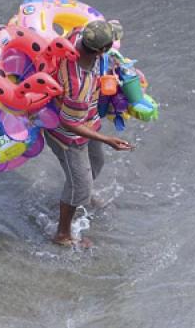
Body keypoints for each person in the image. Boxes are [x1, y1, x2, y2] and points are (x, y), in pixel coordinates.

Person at [44, 20, 133, 248]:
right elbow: (69, 122)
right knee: (81, 185)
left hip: (87, 119)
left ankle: (77, 194)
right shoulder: (77, 84)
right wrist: (108, 140)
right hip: (68, 134)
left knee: (96, 162)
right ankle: (62, 234)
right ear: (101, 50)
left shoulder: (77, 37)